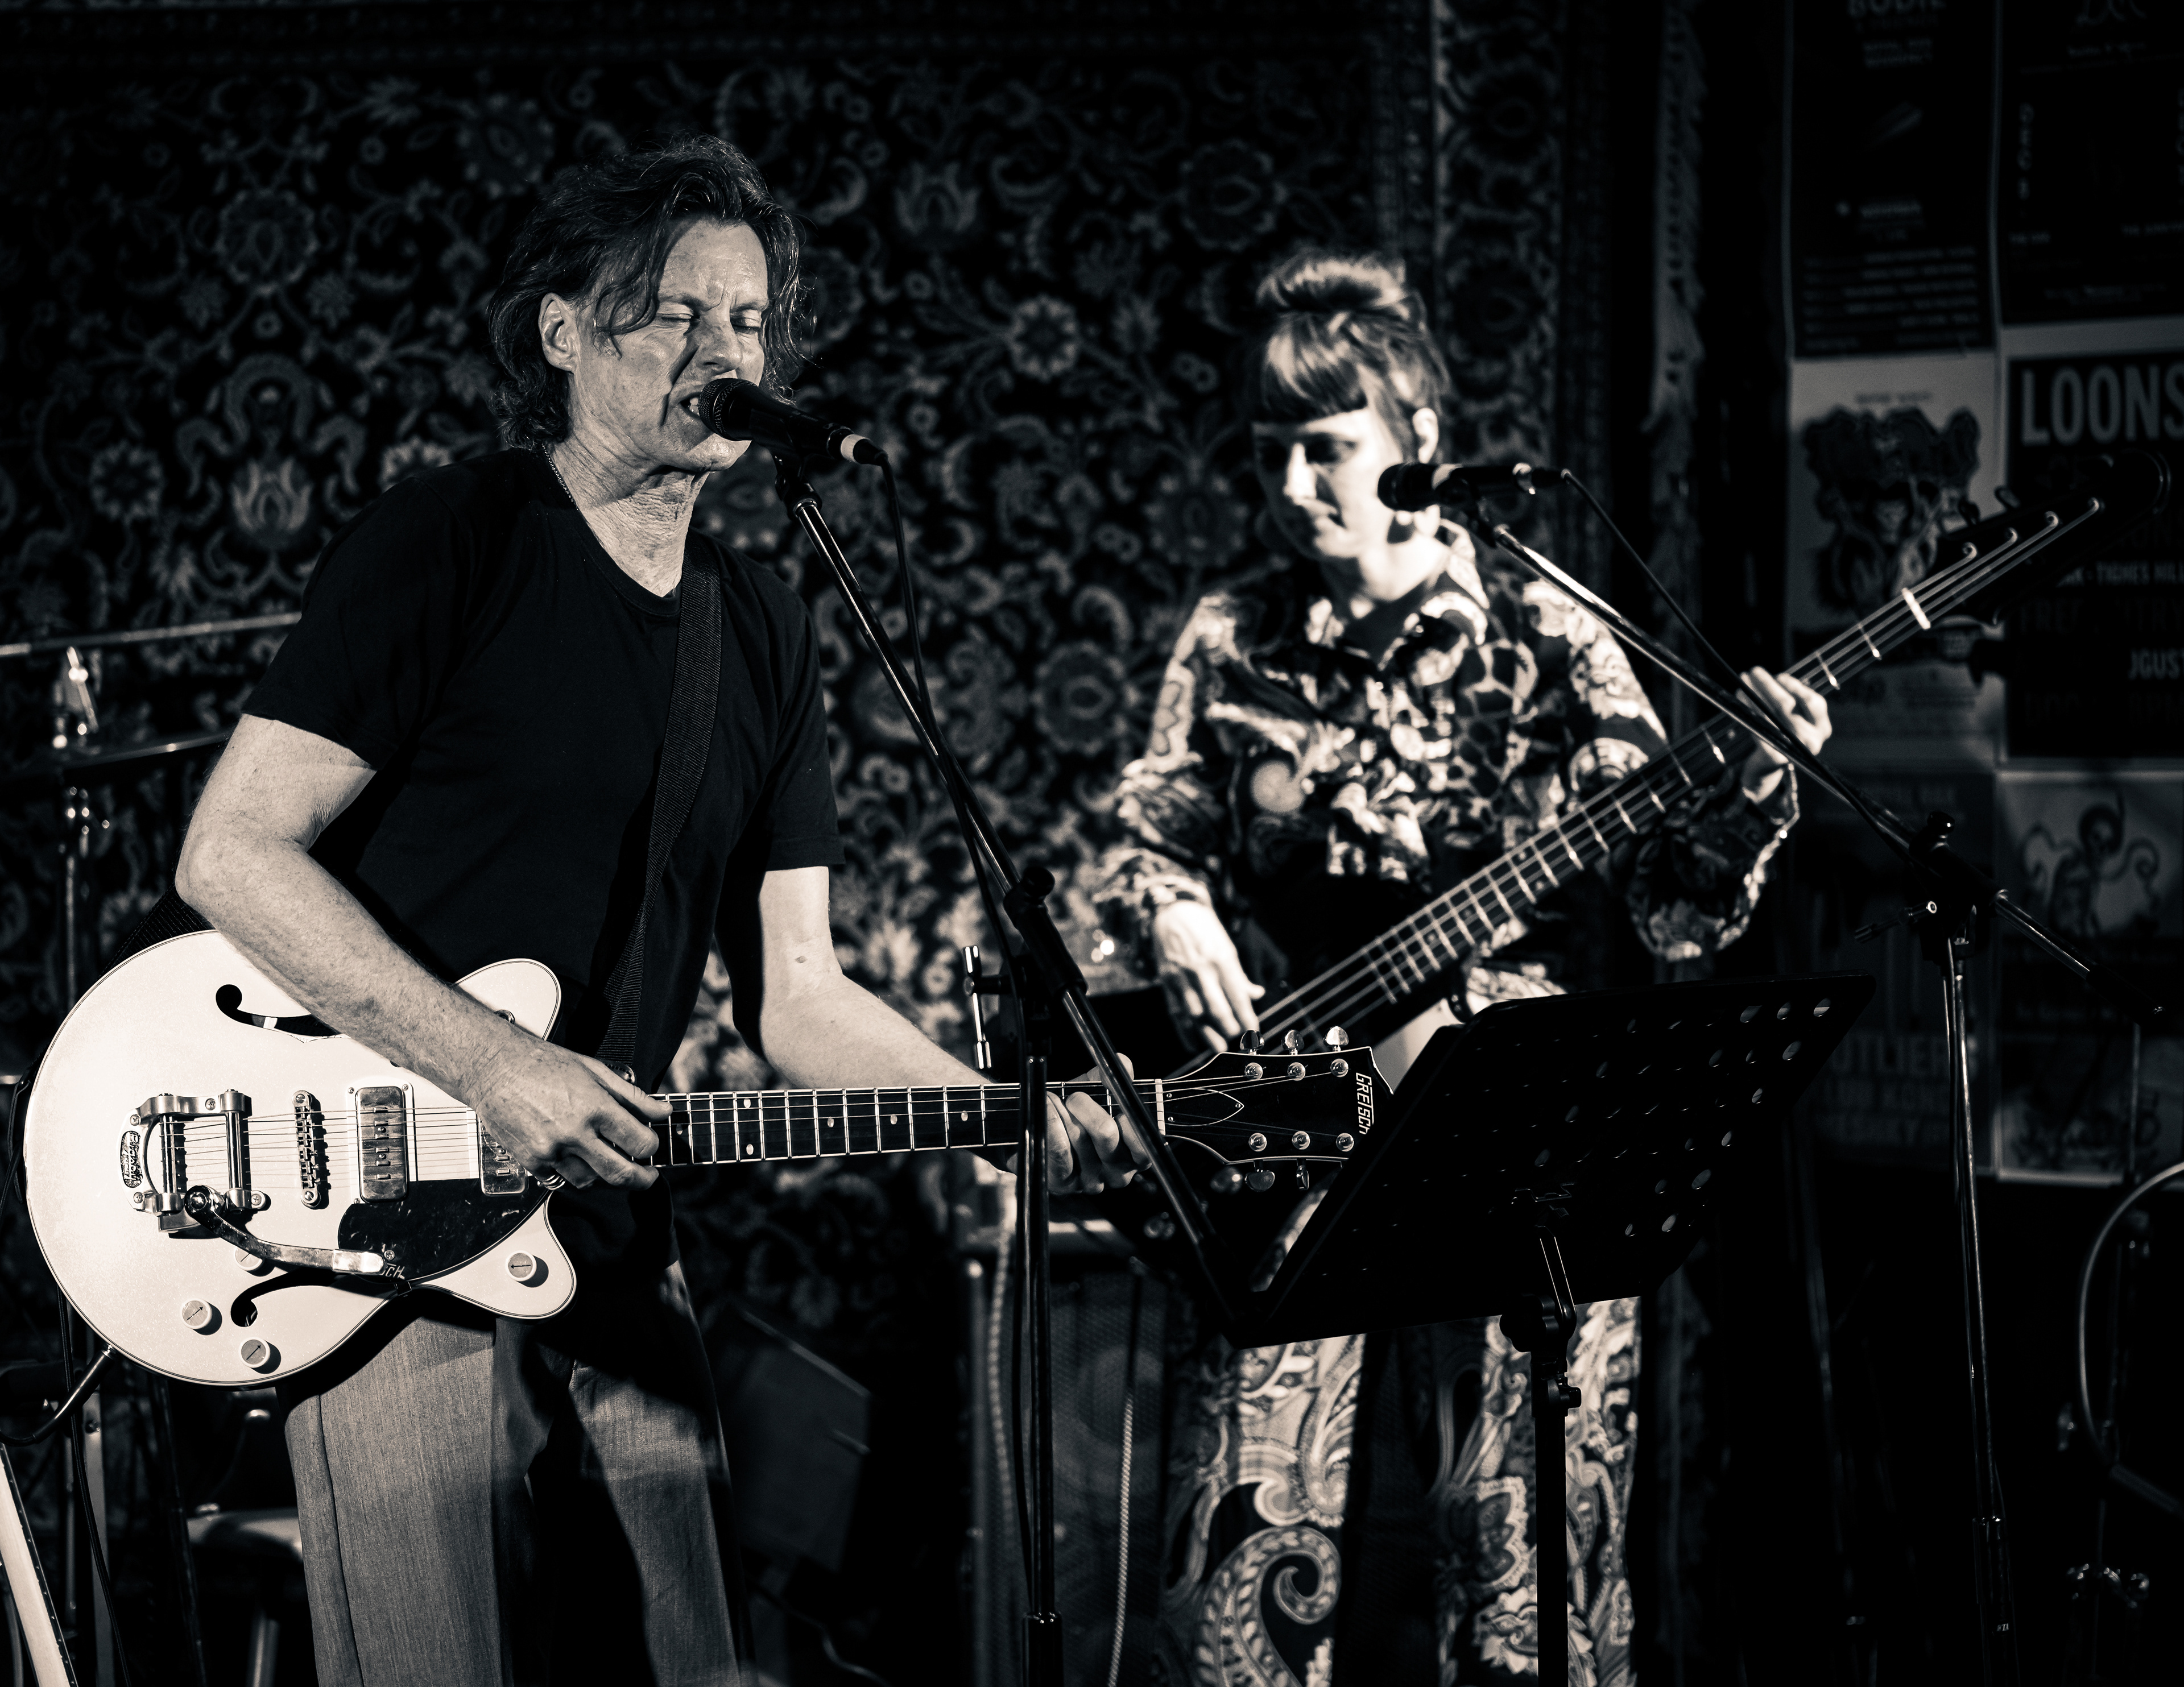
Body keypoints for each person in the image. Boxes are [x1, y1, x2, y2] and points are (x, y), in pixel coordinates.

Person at [175, 136, 1132, 1687]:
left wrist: (994, 1114)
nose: (722, 350)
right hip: (383, 1225)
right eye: (673, 313)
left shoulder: (758, 631)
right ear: (563, 332)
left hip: (616, 1237)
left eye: (748, 320)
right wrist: (492, 1062)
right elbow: (231, 853)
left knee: (685, 1659)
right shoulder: (457, 540)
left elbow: (799, 994)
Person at [1095, 251, 1831, 1683]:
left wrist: (1751, 790)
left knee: (1528, 1555)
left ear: (1419, 440)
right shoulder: (1235, 635)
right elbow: (1144, 841)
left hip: (1513, 1110)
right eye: (1270, 450)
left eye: (1327, 448)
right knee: (1238, 1549)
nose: (1293, 485)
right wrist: (1175, 908)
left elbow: (1675, 908)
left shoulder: (1551, 634)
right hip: (1291, 1102)